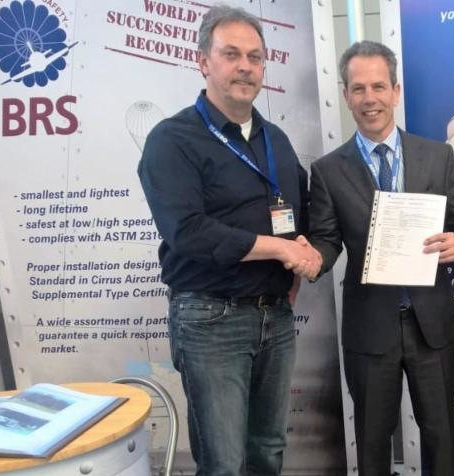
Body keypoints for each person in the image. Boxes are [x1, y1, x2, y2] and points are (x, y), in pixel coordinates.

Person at [137, 5, 321, 475]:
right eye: (231, 54)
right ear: (203, 61)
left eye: (255, 57)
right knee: (223, 463)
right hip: (210, 319)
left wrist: (303, 249)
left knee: (267, 452)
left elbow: (295, 211)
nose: (245, 66)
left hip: (274, 318)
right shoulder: (172, 140)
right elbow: (188, 232)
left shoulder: (274, 139)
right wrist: (281, 249)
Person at [307, 40, 454, 475]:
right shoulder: (328, 171)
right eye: (359, 89)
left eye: (379, 86)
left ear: (396, 91)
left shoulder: (436, 156)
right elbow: (328, 240)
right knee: (371, 439)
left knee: (442, 435)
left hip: (431, 324)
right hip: (370, 327)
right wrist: (311, 258)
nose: (370, 99)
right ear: (345, 94)